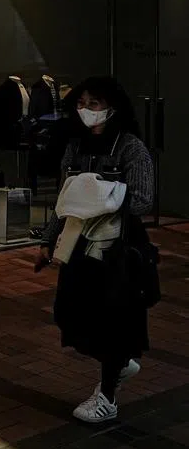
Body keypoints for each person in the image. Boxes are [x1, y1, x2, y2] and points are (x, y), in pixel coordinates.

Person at [37, 76, 154, 424]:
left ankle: (107, 396)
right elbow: (64, 201)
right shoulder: (76, 147)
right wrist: (48, 240)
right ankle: (120, 363)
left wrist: (102, 197)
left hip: (116, 251)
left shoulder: (130, 148)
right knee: (70, 315)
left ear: (112, 108)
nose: (86, 110)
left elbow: (144, 200)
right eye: (81, 103)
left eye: (94, 104)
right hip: (78, 248)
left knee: (111, 323)